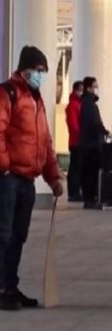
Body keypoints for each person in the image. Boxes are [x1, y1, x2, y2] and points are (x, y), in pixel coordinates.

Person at [0, 46, 63, 311]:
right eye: (38, 70)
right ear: (24, 69)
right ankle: (2, 289)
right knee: (3, 235)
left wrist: (53, 177)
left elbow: (44, 142)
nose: (41, 75)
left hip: (27, 180)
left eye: (43, 71)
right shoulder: (8, 93)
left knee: (18, 236)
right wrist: (4, 166)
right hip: (8, 179)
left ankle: (10, 286)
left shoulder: (37, 100)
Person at [78, 76, 109, 210]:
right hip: (91, 144)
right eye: (95, 86)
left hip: (88, 143)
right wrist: (104, 131)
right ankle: (90, 199)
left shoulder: (87, 103)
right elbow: (95, 123)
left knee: (89, 173)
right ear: (88, 88)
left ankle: (90, 198)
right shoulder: (89, 104)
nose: (97, 89)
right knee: (91, 173)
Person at [65, 81, 84, 202]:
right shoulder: (73, 105)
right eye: (81, 90)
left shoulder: (78, 103)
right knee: (75, 169)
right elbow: (73, 125)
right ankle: (73, 193)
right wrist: (81, 136)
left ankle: (76, 191)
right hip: (76, 142)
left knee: (78, 168)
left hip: (78, 141)